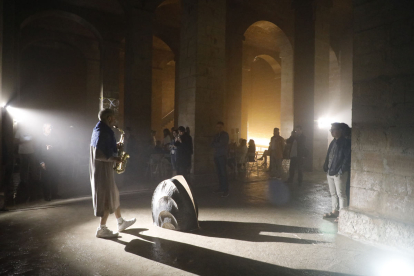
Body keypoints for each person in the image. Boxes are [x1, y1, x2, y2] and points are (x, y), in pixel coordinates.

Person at [90, 108, 136, 238]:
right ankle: (101, 228)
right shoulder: (101, 132)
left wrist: (116, 145)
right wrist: (114, 158)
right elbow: (98, 154)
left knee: (113, 194)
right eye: (114, 118)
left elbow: (103, 148)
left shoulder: (102, 130)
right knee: (106, 198)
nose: (115, 120)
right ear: (109, 118)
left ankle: (120, 222)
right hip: (101, 170)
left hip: (105, 168)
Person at [323, 123, 351, 222]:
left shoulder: (346, 142)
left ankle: (342, 216)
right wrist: (326, 166)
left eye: (334, 129)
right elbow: (329, 155)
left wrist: (341, 170)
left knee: (341, 194)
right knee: (333, 193)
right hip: (331, 171)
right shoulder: (333, 142)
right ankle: (335, 211)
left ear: (340, 131)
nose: (331, 131)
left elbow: (347, 158)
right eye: (331, 129)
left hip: (339, 172)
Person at [37, 123, 60, 201]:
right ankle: (46, 195)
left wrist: (52, 147)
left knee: (54, 177)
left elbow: (59, 146)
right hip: (45, 160)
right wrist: (41, 162)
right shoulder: (40, 138)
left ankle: (54, 194)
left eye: (51, 128)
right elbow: (37, 151)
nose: (50, 129)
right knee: (46, 178)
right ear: (44, 129)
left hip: (54, 159)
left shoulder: (54, 137)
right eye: (48, 128)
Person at [14, 123, 36, 200]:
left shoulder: (31, 130)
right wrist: (24, 142)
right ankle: (23, 180)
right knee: (23, 166)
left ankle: (31, 179)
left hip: (31, 151)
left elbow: (34, 139)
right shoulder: (19, 131)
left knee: (31, 166)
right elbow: (16, 141)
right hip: (23, 152)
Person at [211, 122, 230, 197]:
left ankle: (226, 190)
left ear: (223, 127)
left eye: (220, 127)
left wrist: (216, 144)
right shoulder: (216, 135)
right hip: (216, 155)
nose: (218, 128)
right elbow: (212, 144)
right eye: (217, 127)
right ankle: (221, 187)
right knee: (219, 173)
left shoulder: (225, 135)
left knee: (223, 173)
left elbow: (221, 144)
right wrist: (216, 143)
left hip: (222, 156)